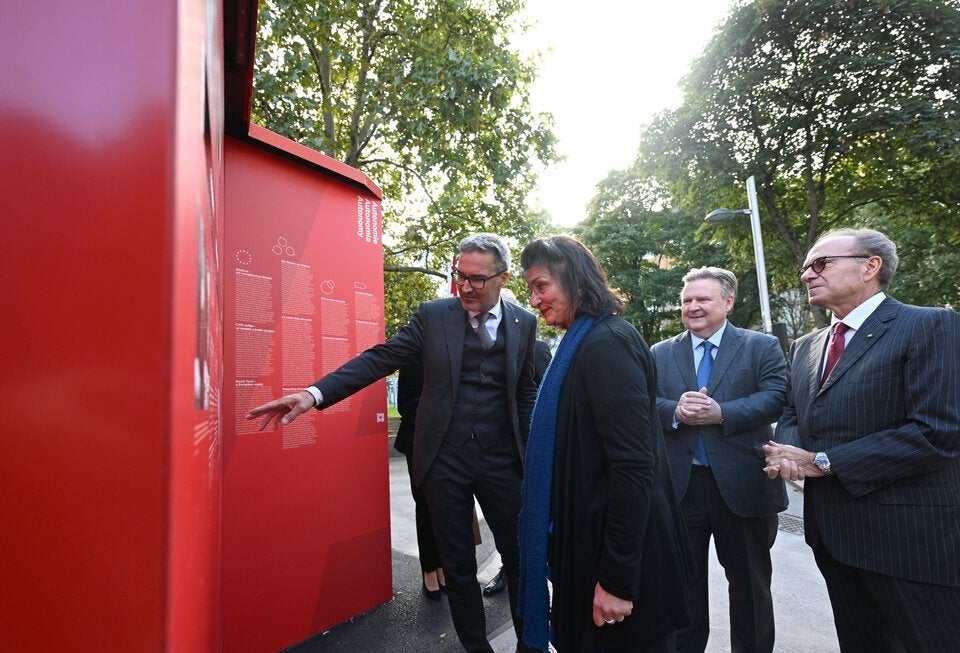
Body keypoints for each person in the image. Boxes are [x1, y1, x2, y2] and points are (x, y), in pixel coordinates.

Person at [246, 233, 540, 653]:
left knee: (520, 558)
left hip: (503, 462)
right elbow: (379, 358)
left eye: (477, 279)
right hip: (444, 462)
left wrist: (533, 448)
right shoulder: (433, 316)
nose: (465, 287)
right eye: (459, 276)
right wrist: (313, 394)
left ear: (502, 278)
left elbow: (525, 391)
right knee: (457, 567)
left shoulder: (523, 323)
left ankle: (529, 644)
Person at [763, 228, 960, 652]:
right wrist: (791, 454)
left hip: (911, 543)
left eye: (821, 264)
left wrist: (824, 460)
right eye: (805, 268)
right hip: (834, 538)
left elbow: (939, 431)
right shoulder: (805, 346)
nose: (806, 275)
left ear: (870, 266)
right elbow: (795, 414)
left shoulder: (929, 325)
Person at [517, 235, 691, 653]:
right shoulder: (582, 342)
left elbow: (632, 466)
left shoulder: (606, 344)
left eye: (541, 286)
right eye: (530, 291)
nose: (536, 300)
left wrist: (616, 580)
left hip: (615, 561)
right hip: (589, 543)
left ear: (573, 278)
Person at [650, 267, 787, 653]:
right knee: (682, 586)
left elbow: (777, 396)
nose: (693, 307)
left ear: (728, 302)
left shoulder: (761, 347)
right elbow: (643, 402)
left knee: (750, 586)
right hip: (680, 488)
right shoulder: (660, 353)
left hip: (744, 485)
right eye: (687, 301)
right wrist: (674, 410)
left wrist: (722, 413)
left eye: (703, 299)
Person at [483, 336, 552, 598]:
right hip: (493, 459)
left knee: (532, 520)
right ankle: (508, 567)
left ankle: (538, 573)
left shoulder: (537, 348)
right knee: (504, 526)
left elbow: (544, 396)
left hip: (526, 454)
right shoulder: (483, 349)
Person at [393, 361, 445, 600]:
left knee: (445, 508)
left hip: (447, 443)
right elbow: (405, 404)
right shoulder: (415, 353)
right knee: (425, 507)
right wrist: (438, 403)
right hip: (418, 442)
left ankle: (442, 567)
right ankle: (429, 572)